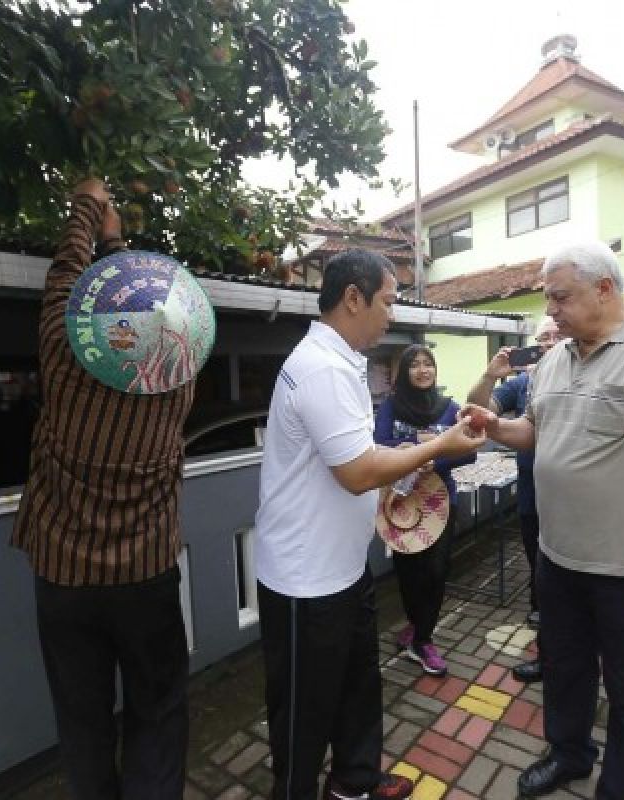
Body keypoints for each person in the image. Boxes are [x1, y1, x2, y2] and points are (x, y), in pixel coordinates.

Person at [462, 241, 624, 799]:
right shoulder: (555, 358)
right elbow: (536, 432)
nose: (551, 311)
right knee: (565, 669)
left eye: (560, 297)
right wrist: (494, 425)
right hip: (558, 558)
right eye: (549, 299)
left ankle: (622, 789)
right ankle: (569, 754)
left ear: (605, 287)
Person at [254, 249, 486, 800]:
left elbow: (359, 452)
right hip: (303, 581)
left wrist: (415, 455)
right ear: (352, 298)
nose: (391, 315)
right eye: (387, 301)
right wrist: (438, 443)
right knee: (304, 708)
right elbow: (358, 473)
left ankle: (355, 780)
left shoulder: (343, 361)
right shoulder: (321, 368)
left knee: (357, 685)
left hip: (342, 569)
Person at [11, 178, 195, 799]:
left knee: (82, 723)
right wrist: (120, 244)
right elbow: (125, 299)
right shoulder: (177, 384)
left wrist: (88, 206)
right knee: (158, 711)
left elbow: (67, 274)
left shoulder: (63, 358)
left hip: (63, 579)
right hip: (145, 578)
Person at [466, 318, 563, 684]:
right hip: (532, 490)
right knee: (539, 569)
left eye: (557, 335)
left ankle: (571, 654)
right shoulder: (524, 382)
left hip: (573, 495)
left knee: (570, 580)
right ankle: (548, 653)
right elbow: (476, 407)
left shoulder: (587, 378)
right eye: (543, 338)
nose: (549, 343)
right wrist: (491, 375)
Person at [376, 344, 476, 677]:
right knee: (409, 572)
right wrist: (415, 453)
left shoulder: (450, 409)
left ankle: (423, 640)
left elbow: (470, 451)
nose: (422, 370)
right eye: (414, 365)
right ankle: (417, 627)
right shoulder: (392, 406)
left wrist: (438, 459)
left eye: (428, 364)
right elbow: (379, 442)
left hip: (439, 504)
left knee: (435, 572)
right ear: (404, 372)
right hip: (402, 503)